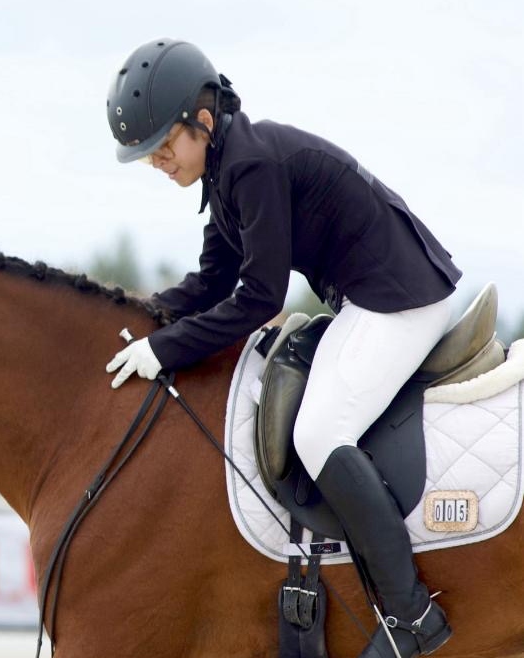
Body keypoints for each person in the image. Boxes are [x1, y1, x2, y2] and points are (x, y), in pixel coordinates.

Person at [103, 38, 459, 658]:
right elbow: (214, 279)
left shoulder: (250, 165)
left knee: (319, 433)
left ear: (203, 121)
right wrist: (145, 316)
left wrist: (166, 352)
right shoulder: (228, 169)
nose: (157, 161)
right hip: (370, 295)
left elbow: (261, 297)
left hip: (399, 299)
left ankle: (411, 617)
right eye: (148, 154)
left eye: (163, 144)